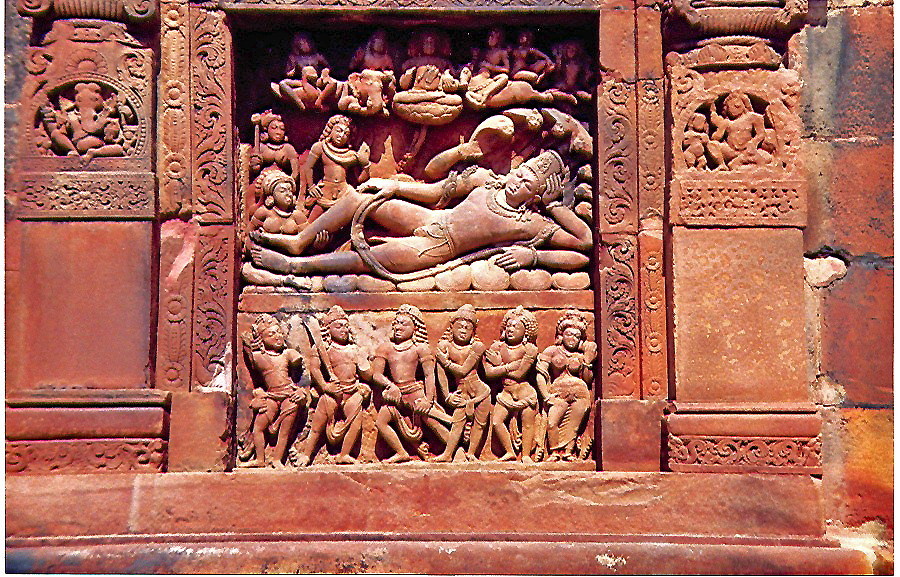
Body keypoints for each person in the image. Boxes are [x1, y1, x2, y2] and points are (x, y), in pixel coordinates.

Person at [249, 150, 592, 282]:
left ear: (537, 194)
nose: (518, 180)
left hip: (435, 250)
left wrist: (535, 252)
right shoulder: (486, 180)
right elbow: (435, 192)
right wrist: (392, 186)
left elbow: (584, 243)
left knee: (365, 259)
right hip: (428, 220)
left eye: (528, 182)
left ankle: (295, 267)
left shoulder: (530, 224)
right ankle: (299, 241)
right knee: (360, 197)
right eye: (521, 171)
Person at [370, 305, 453, 463]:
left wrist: (428, 400)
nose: (398, 327)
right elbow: (377, 374)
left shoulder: (420, 349)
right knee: (381, 422)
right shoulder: (385, 348)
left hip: (415, 393)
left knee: (432, 421)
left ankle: (453, 449)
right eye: (396, 323)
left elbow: (429, 375)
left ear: (415, 328)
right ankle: (401, 452)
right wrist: (390, 385)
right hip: (395, 396)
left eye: (404, 324)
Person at [296, 306, 373, 465]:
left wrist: (366, 367)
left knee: (356, 424)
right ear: (328, 329)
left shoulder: (354, 349)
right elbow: (315, 369)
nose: (343, 330)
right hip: (333, 392)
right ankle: (307, 454)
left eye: (345, 326)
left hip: (352, 391)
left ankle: (344, 454)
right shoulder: (323, 349)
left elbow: (366, 373)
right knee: (317, 425)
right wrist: (325, 386)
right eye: (338, 326)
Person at [240, 314, 310, 468]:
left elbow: (302, 372)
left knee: (285, 430)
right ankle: (260, 459)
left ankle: (277, 458)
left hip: (289, 394)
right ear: (261, 339)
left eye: (279, 332)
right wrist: (257, 393)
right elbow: (247, 346)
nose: (277, 336)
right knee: (258, 427)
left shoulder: (288, 354)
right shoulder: (258, 357)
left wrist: (301, 393)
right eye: (271, 334)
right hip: (271, 396)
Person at [535, 310, 596, 461]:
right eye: (569, 334)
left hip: (580, 393)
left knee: (573, 425)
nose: (572, 338)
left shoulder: (581, 356)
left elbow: (588, 380)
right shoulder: (552, 351)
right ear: (561, 335)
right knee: (552, 423)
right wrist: (546, 396)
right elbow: (541, 374)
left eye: (576, 336)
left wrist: (587, 361)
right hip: (557, 393)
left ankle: (568, 452)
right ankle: (554, 452)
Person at [433, 305, 491, 462]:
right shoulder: (444, 346)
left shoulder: (477, 347)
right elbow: (441, 374)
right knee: (457, 422)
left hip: (481, 393)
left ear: (473, 331)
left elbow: (463, 371)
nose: (463, 330)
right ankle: (448, 454)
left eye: (468, 327)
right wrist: (446, 396)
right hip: (462, 393)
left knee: (479, 424)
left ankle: (471, 453)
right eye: (460, 326)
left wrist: (444, 361)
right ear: (452, 326)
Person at [484, 306, 540, 462]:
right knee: (497, 422)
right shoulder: (497, 347)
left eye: (516, 326)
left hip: (524, 391)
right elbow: (488, 373)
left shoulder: (529, 349)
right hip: (505, 393)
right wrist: (509, 366)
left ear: (526, 332)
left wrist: (499, 365)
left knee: (527, 424)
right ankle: (510, 451)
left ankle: (526, 455)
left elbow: (520, 374)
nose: (511, 329)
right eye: (508, 325)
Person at [301, 115, 370, 223]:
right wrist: (311, 187)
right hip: (325, 192)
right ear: (330, 130)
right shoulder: (320, 147)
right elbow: (308, 167)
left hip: (344, 192)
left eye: (346, 134)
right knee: (312, 221)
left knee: (345, 222)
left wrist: (365, 165)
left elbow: (360, 180)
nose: (341, 136)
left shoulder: (350, 155)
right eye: (338, 131)